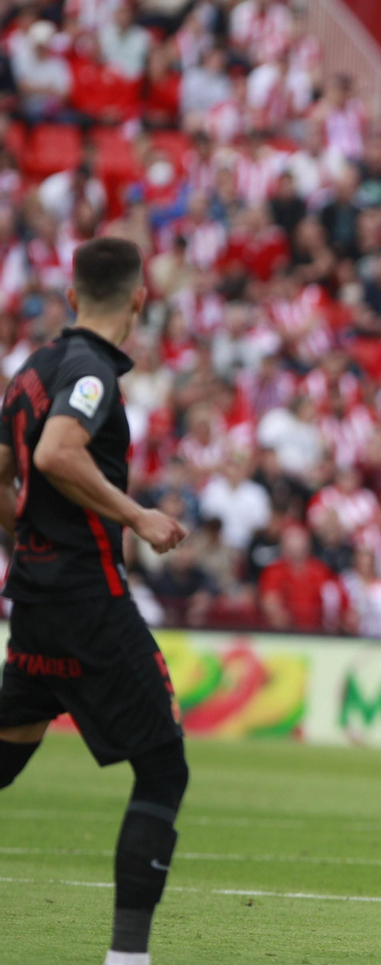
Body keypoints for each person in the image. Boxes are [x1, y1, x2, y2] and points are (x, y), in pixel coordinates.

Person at [0, 237, 190, 965]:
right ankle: (127, 960)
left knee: (6, 759)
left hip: (36, 604)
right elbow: (54, 453)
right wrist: (136, 515)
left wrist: (33, 538)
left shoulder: (30, 372)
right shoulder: (89, 372)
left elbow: (5, 472)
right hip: (89, 602)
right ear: (140, 299)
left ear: (72, 295)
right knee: (165, 768)